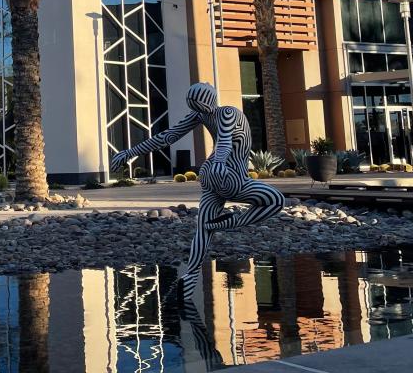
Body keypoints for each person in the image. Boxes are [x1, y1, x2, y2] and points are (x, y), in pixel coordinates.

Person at [111, 82, 284, 299]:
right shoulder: (227, 112)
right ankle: (226, 223)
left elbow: (166, 137)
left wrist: (128, 153)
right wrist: (221, 163)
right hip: (230, 175)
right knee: (276, 201)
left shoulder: (200, 116)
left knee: (203, 231)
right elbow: (224, 141)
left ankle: (190, 279)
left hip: (209, 174)